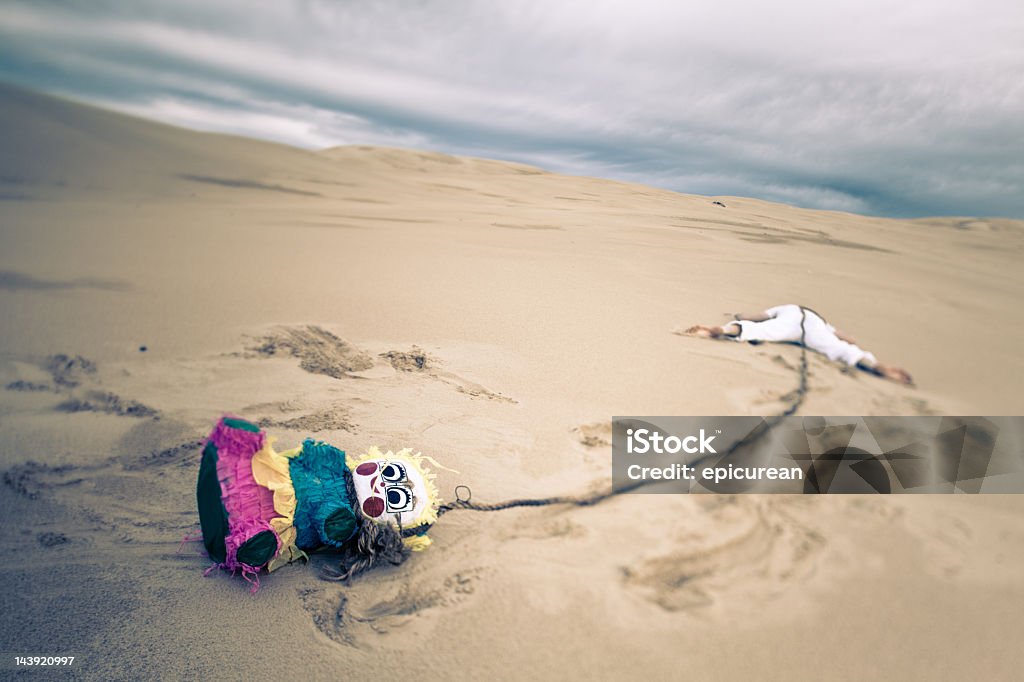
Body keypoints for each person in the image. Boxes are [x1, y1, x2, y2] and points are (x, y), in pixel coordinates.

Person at [685, 304, 913, 385]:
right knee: (844, 350)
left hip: (789, 325)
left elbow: (757, 316)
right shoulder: (821, 321)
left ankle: (723, 330)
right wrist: (841, 335)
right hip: (815, 332)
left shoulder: (787, 308)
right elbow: (847, 338)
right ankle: (875, 366)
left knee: (758, 330)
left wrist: (738, 314)